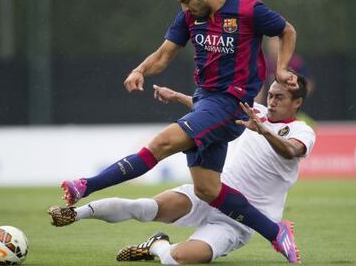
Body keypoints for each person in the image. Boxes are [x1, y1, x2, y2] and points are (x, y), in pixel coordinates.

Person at [60, 0, 299, 262]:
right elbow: (163, 55)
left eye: (187, 0)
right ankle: (276, 233)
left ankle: (85, 185)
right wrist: (140, 70)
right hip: (204, 102)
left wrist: (281, 69)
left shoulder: (248, 10)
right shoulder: (189, 18)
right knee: (208, 190)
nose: (185, 7)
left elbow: (286, 30)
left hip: (229, 104)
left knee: (161, 143)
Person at [49, 77, 315, 264]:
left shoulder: (303, 131)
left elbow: (290, 151)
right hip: (209, 194)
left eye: (279, 97)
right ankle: (74, 213)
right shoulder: (253, 111)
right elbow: (211, 113)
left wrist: (264, 130)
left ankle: (157, 246)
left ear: (297, 103)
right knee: (144, 207)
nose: (271, 102)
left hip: (239, 222)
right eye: (270, 95)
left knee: (179, 258)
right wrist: (177, 96)